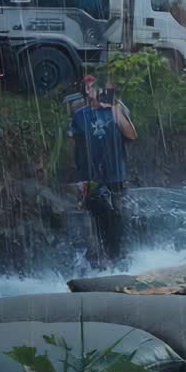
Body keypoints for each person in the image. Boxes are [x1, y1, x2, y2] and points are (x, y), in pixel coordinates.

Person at [67, 79, 137, 264]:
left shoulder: (117, 109)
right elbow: (73, 146)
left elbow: (131, 135)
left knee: (119, 219)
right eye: (88, 86)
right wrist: (77, 177)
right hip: (91, 177)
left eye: (94, 86)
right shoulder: (80, 115)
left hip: (116, 174)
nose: (91, 89)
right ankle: (99, 262)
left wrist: (114, 107)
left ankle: (121, 260)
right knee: (96, 220)